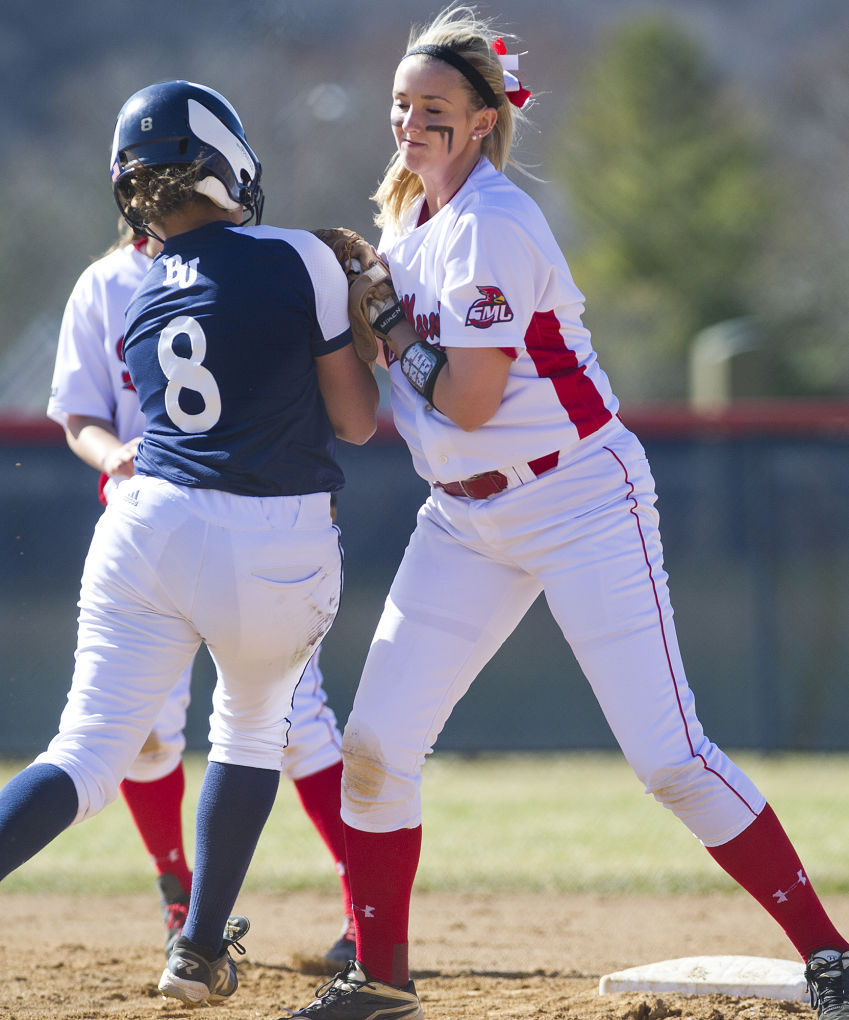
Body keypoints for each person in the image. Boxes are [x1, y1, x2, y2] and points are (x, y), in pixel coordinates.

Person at [288, 8, 849, 1020]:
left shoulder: (494, 223)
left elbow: (465, 397)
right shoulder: (408, 219)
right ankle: (381, 977)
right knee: (374, 743)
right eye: (402, 105)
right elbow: (379, 413)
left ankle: (831, 955)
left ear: (483, 122)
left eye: (435, 109)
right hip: (463, 517)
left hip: (580, 496)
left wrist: (379, 315)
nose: (410, 122)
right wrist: (350, 315)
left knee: (670, 759)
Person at [0, 79, 378, 1008]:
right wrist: (367, 311)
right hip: (269, 538)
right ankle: (199, 950)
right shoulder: (296, 252)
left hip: (143, 524)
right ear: (225, 164)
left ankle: (193, 934)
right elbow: (358, 423)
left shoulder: (134, 287)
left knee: (85, 753)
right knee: (252, 731)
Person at [47, 220, 357, 971]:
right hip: (178, 529)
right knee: (156, 737)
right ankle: (183, 899)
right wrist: (111, 451)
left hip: (201, 527)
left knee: (296, 725)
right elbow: (79, 414)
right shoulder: (108, 283)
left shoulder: (250, 265)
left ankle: (362, 910)